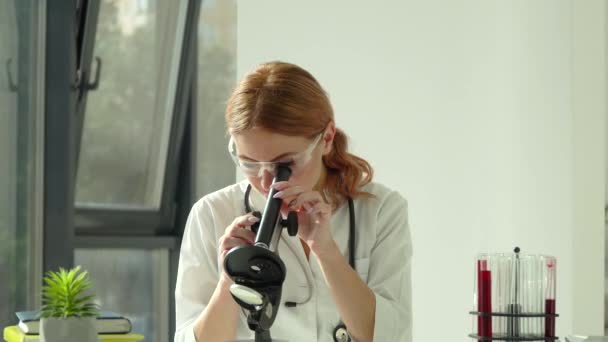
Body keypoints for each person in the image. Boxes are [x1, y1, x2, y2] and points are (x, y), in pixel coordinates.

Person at [174, 61, 412, 342]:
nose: (265, 181)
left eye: (283, 165)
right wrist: (229, 278)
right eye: (248, 163)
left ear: (326, 138)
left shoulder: (381, 209)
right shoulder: (212, 214)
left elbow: (390, 337)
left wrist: (326, 251)